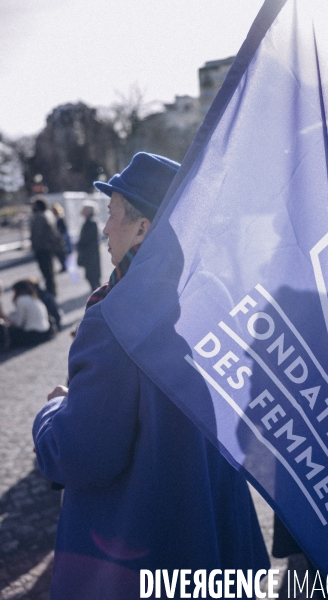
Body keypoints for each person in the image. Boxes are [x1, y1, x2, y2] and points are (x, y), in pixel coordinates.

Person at [33, 153, 269, 599]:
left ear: (143, 228)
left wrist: (51, 412)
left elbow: (82, 452)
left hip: (139, 551)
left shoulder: (115, 320)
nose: (105, 228)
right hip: (215, 538)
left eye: (113, 214)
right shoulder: (215, 299)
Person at [0, 279, 54, 349]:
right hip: (45, 331)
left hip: (34, 334)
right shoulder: (32, 297)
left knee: (7, 332)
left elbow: (19, 323)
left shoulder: (21, 300)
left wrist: (5, 317)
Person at [30, 196, 61, 296]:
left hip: (42, 248)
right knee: (50, 271)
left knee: (47, 272)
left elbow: (37, 234)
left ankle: (51, 293)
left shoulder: (40, 216)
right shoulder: (48, 214)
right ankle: (52, 291)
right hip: (47, 247)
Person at [76, 201, 101, 291]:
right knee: (91, 275)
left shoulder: (91, 221)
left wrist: (80, 244)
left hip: (90, 253)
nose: (81, 211)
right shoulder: (89, 221)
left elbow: (87, 238)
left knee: (92, 275)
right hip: (90, 252)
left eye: (83, 209)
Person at [52, 203, 71, 273]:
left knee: (62, 252)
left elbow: (63, 228)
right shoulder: (54, 218)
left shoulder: (60, 218)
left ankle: (65, 265)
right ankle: (63, 265)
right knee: (59, 253)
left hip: (61, 238)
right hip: (57, 238)